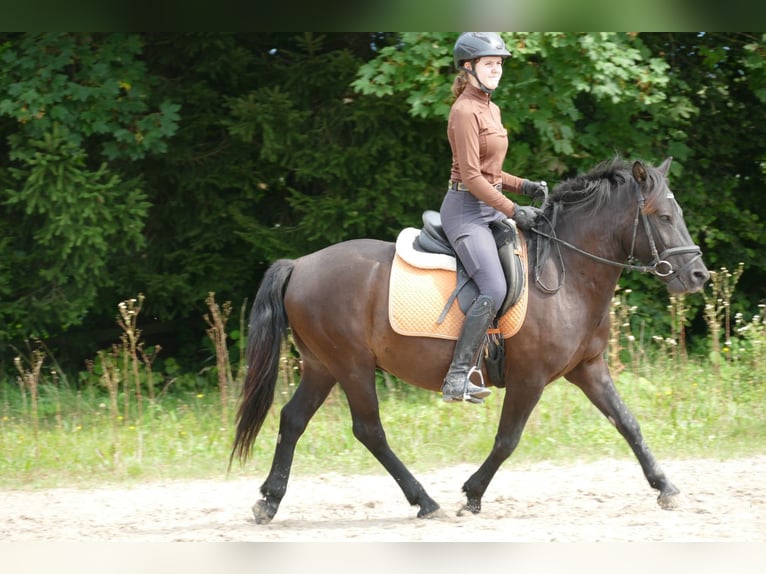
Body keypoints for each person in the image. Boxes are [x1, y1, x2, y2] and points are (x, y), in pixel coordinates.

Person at [440, 32, 546, 403]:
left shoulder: (491, 108)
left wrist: (526, 185)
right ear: (468, 68)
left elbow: (494, 174)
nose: (497, 69)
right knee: (495, 288)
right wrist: (515, 210)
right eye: (490, 64)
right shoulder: (464, 111)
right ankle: (456, 378)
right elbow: (471, 177)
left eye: (499, 64)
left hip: (490, 208)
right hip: (466, 213)